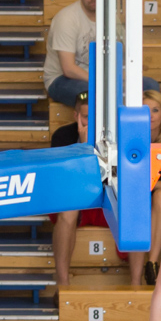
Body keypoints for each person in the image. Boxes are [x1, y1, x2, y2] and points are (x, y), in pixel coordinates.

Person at [43, 0, 158, 108]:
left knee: (150, 86)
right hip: (62, 80)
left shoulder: (110, 16)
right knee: (94, 96)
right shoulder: (66, 19)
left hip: (101, 77)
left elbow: (121, 54)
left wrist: (124, 77)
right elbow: (68, 68)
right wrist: (102, 81)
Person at [48, 93, 123, 288]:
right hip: (74, 195)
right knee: (68, 210)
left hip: (105, 196)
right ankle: (62, 283)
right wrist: (82, 147)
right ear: (76, 116)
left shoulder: (115, 136)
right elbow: (62, 180)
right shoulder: (62, 136)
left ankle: (137, 281)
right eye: (86, 117)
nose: (91, 122)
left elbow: (114, 177)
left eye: (94, 117)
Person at [129, 89, 161, 288]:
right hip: (143, 197)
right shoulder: (132, 139)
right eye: (146, 110)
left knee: (160, 196)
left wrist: (145, 184)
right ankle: (136, 281)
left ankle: (152, 261)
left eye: (156, 110)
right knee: (137, 212)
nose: (150, 116)